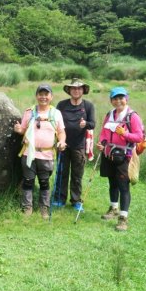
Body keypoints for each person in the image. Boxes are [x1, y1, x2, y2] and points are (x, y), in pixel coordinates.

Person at [14, 84, 67, 220]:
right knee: (28, 181)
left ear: (51, 97)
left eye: (46, 94)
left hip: (47, 155)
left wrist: (61, 141)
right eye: (40, 94)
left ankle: (44, 208)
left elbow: (61, 132)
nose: (43, 97)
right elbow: (23, 129)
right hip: (28, 153)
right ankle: (27, 208)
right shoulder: (29, 112)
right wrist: (18, 129)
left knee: (44, 182)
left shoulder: (56, 113)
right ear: (36, 96)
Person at [96, 87, 144, 231]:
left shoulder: (132, 116)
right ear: (111, 100)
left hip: (125, 156)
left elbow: (139, 137)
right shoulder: (109, 114)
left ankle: (123, 218)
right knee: (112, 183)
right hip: (109, 154)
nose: (118, 101)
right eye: (115, 98)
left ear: (126, 98)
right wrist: (101, 143)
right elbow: (104, 133)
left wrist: (125, 134)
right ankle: (113, 209)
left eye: (121, 98)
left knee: (123, 186)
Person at [53, 79, 96, 210]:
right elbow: (55, 122)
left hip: (79, 145)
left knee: (77, 174)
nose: (76, 91)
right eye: (73, 88)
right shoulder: (61, 105)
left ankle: (76, 200)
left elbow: (93, 124)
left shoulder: (88, 106)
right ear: (69, 90)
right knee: (61, 172)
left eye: (79, 88)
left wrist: (86, 124)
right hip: (63, 144)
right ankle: (59, 199)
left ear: (83, 91)